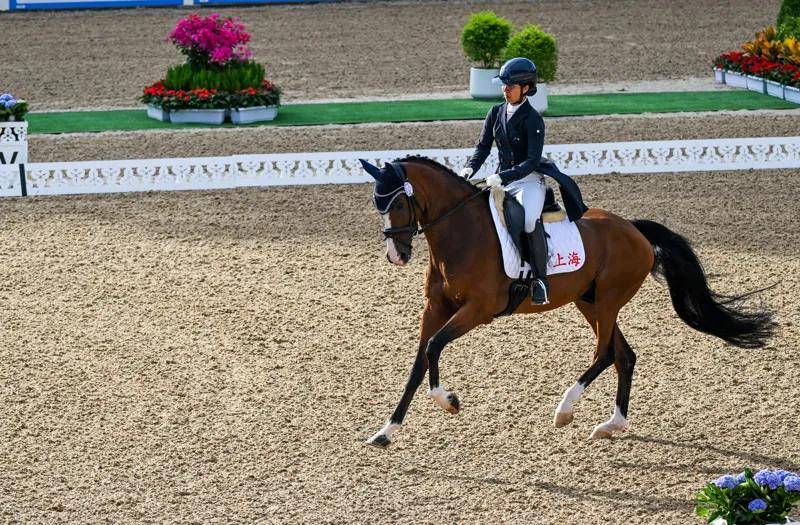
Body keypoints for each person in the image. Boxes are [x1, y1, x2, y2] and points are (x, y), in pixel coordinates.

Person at [460, 57, 551, 305]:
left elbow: (531, 162)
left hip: (528, 181)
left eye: (510, 86)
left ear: (526, 88)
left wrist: (502, 176)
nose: (505, 89)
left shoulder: (533, 119)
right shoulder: (496, 112)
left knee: (529, 220)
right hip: (501, 180)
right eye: (504, 85)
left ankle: (540, 281)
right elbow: (483, 147)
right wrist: (469, 169)